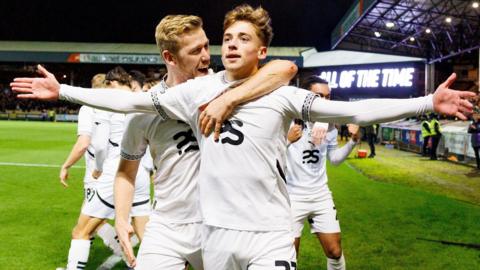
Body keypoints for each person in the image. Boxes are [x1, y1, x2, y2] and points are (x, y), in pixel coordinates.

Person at [11, 4, 475, 269]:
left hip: (271, 233)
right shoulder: (196, 90)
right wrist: (64, 91)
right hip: (214, 235)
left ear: (261, 49)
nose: (230, 43)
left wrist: (425, 103)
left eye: (242, 38)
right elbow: (132, 103)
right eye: (226, 37)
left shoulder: (283, 94)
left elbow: (350, 108)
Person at [114, 14, 297, 269]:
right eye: (196, 50)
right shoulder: (145, 111)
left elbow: (283, 68)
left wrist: (228, 99)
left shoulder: (225, 85)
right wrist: (122, 218)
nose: (206, 56)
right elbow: (126, 171)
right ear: (170, 58)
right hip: (168, 225)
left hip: (221, 226)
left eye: (206, 46)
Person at [286, 76, 359, 270]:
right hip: (291, 197)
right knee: (289, 258)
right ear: (304, 96)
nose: (324, 102)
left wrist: (353, 141)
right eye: (318, 96)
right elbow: (266, 155)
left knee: (335, 252)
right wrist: (287, 140)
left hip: (320, 195)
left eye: (328, 97)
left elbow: (334, 160)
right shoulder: (287, 121)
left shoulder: (331, 126)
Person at [59, 73, 128, 270]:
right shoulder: (118, 107)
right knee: (93, 222)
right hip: (126, 172)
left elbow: (86, 144)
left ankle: (133, 259)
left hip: (102, 175)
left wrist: (66, 165)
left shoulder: (90, 107)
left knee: (80, 230)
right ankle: (129, 254)